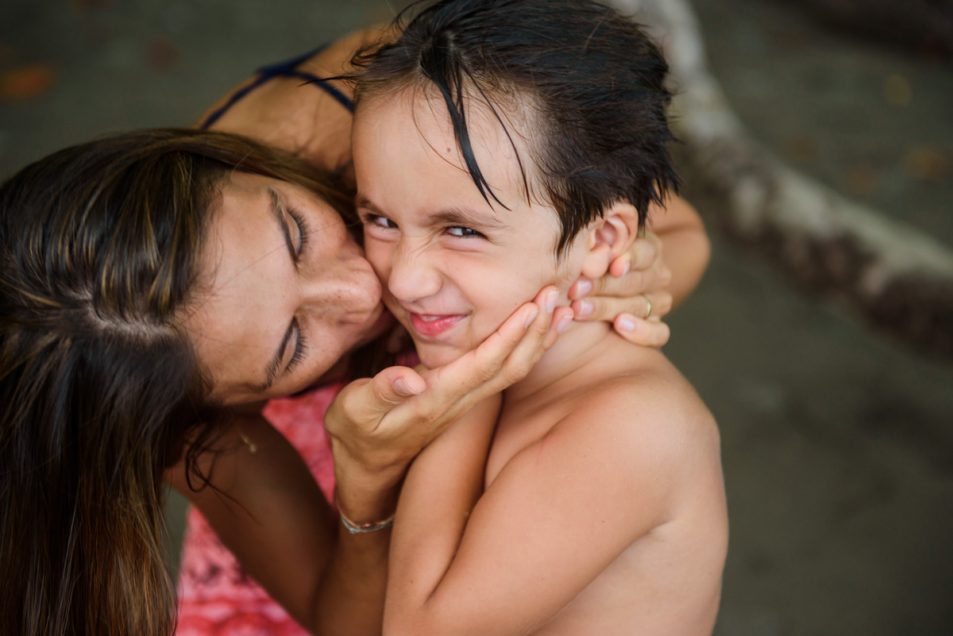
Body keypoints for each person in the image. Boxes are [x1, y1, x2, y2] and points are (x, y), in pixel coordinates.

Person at [0, 11, 710, 636]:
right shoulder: (180, 406)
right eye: (294, 344)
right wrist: (367, 491)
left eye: (299, 236)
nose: (374, 289)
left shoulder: (419, 105)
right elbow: (345, 620)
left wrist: (599, 287)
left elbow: (678, 234)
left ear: (237, 166)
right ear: (229, 407)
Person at [348, 0, 728, 633]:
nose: (405, 277)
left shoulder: (632, 428)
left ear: (604, 240)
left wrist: (461, 390)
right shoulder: (493, 328)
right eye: (380, 219)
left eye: (463, 229)